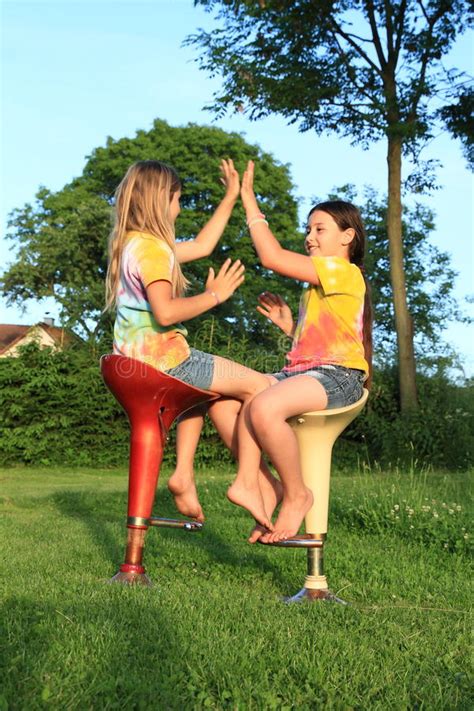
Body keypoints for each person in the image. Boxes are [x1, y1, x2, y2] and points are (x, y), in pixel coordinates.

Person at [105, 159, 277, 530]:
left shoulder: (134, 244)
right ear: (160, 200)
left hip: (132, 362)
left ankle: (183, 474)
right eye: (178, 200)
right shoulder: (153, 251)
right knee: (262, 386)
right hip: (166, 362)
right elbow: (165, 313)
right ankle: (254, 481)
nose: (180, 209)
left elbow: (202, 245)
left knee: (208, 392)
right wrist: (214, 295)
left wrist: (231, 196)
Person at [240, 160, 373, 543]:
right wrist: (290, 326)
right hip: (307, 374)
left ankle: (297, 494)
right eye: (308, 229)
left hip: (339, 377)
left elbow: (272, 257)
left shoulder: (343, 271)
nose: (310, 237)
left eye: (320, 229)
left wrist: (250, 202)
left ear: (347, 237)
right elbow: (324, 335)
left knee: (264, 406)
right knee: (227, 400)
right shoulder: (317, 286)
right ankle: (265, 488)